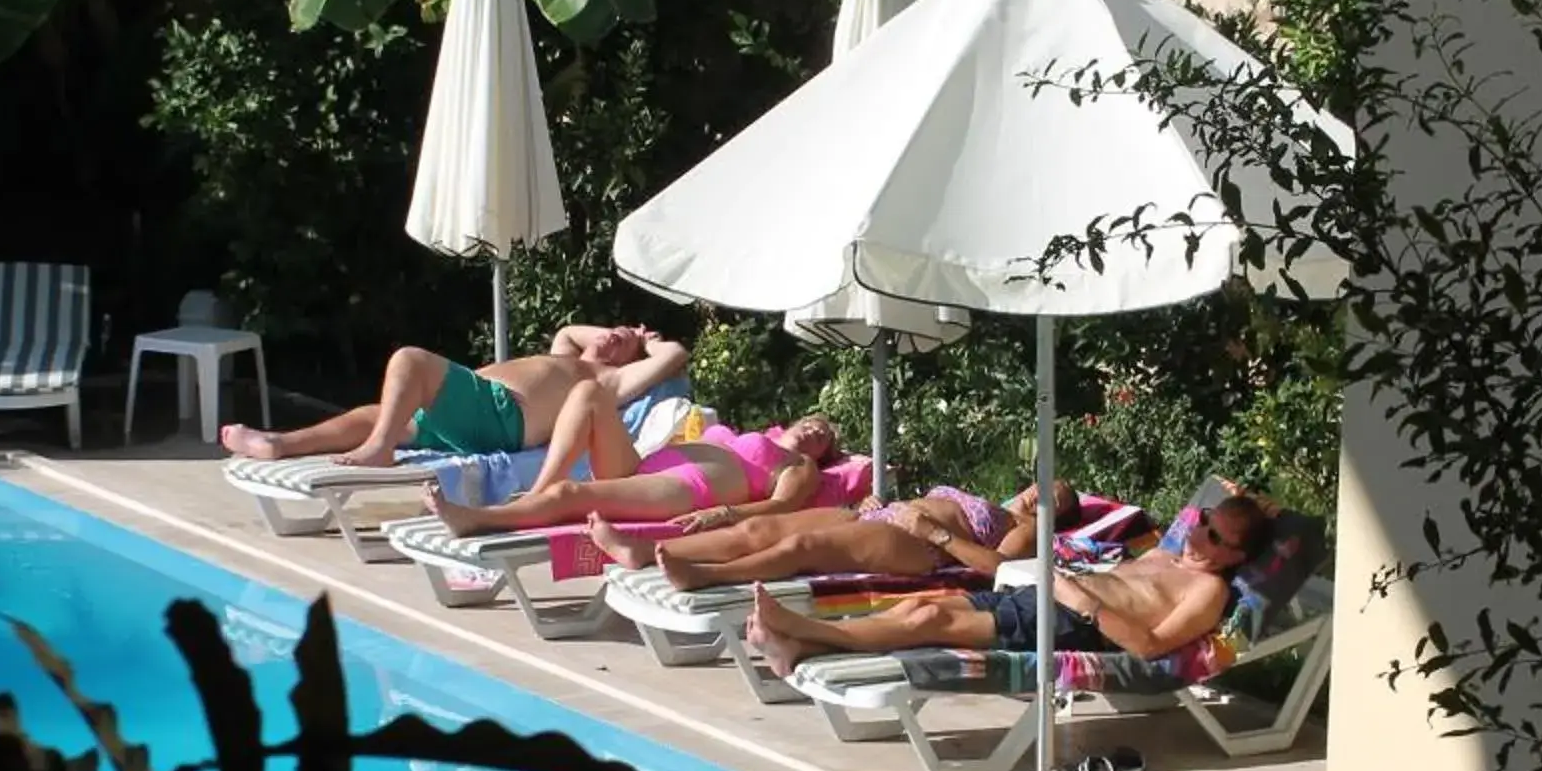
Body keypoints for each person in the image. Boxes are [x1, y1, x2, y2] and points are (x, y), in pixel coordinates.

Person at [744, 493, 1273, 676]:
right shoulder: (1166, 551)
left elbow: (1150, 646)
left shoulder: (1210, 594)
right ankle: (797, 644)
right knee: (924, 609)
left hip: (1073, 625)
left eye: (1216, 537)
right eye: (1203, 522)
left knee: (928, 621)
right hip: (1050, 597)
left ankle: (800, 628)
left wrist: (1085, 605)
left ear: (1237, 556)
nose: (1198, 537)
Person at [422, 374, 854, 535]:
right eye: (815, 422)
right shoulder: (755, 435)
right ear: (794, 421)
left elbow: (779, 509)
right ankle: (537, 492)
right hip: (649, 466)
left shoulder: (800, 469)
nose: (819, 430)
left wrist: (723, 515)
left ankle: (476, 519)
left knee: (574, 493)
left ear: (824, 455)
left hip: (687, 489)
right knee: (589, 393)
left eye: (825, 438)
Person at [216, 322, 689, 467]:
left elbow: (674, 356)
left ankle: (380, 451)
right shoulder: (570, 352)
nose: (610, 336)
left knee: (409, 360)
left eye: (619, 340)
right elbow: (569, 328)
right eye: (611, 329)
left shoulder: (609, 381)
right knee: (373, 413)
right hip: (475, 414)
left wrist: (645, 342)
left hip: (504, 417)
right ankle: (280, 444)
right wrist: (612, 333)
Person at [587, 481, 1077, 587]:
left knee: (802, 548)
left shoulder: (1026, 529)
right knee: (758, 526)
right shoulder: (984, 493)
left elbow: (1004, 571)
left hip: (920, 546)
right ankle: (643, 551)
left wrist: (935, 532)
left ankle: (703, 576)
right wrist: (878, 505)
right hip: (884, 518)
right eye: (1045, 484)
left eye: (1058, 497)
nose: (1043, 492)